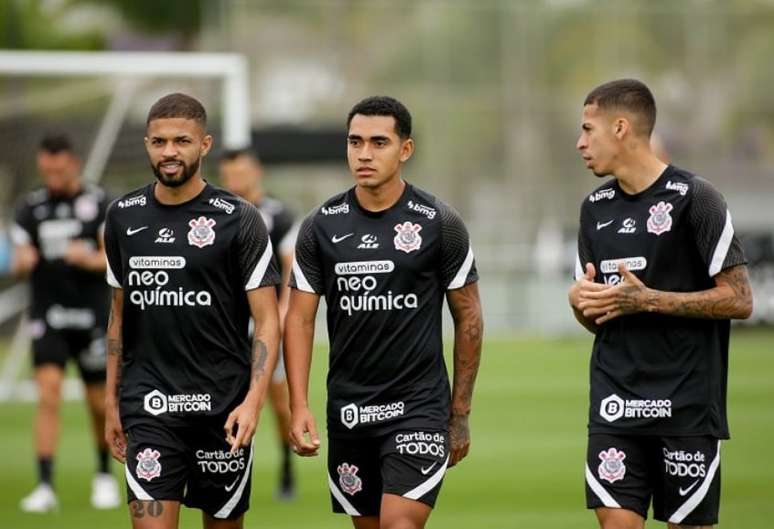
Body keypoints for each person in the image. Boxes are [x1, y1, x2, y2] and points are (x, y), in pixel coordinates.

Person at [284, 95, 483, 529]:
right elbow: (299, 318)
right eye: (355, 142)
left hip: (419, 408)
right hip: (350, 412)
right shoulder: (320, 226)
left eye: (379, 142)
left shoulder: (439, 222)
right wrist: (298, 404)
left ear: (405, 150)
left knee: (400, 524)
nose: (364, 154)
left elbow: (469, 317)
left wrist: (460, 413)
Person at [568, 79, 753, 529]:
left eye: (588, 129)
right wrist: (581, 303)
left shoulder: (697, 199)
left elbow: (741, 299)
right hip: (616, 404)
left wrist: (650, 300)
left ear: (620, 127)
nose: (580, 143)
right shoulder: (594, 208)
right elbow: (601, 317)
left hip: (686, 407)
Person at [103, 93, 281, 529]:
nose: (169, 152)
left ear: (205, 145)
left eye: (181, 141)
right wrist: (111, 403)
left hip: (223, 409)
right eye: (159, 142)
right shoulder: (123, 218)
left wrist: (253, 402)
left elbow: (268, 320)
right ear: (146, 144)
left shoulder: (240, 219)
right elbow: (118, 318)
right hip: (150, 408)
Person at [11, 134, 119, 512]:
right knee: (49, 393)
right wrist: (22, 261)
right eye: (46, 170)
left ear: (72, 163)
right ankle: (44, 484)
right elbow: (21, 254)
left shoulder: (99, 203)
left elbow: (113, 259)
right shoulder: (31, 208)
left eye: (58, 169)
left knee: (97, 402)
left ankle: (104, 475)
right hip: (48, 316)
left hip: (91, 316)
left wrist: (88, 257)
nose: (52, 176)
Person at [218, 148, 298, 500]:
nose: (235, 180)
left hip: (266, 326)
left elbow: (291, 272)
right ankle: (224, 466)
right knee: (223, 400)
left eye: (241, 173)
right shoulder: (215, 215)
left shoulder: (278, 216)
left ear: (257, 171)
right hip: (225, 330)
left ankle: (286, 468)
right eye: (229, 174)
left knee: (278, 403)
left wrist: (278, 319)